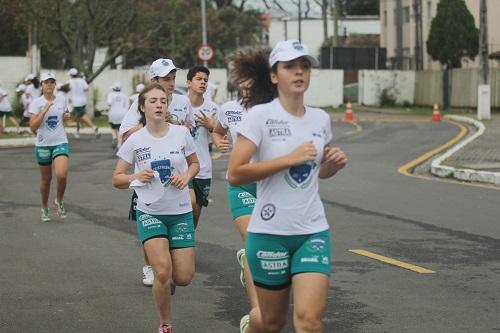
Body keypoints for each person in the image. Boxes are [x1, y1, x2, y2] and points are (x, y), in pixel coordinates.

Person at [227, 40, 347, 333]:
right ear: (273, 75)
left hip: (312, 230)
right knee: (270, 322)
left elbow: (315, 172)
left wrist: (331, 165)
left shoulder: (320, 119)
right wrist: (287, 159)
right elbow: (235, 173)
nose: (298, 72)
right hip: (269, 233)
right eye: (289, 66)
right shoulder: (259, 117)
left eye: (304, 66)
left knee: (309, 321)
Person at [112, 83, 200, 333]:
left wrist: (186, 176)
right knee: (162, 271)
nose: (159, 104)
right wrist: (136, 175)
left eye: (163, 100)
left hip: (180, 210)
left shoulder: (181, 133)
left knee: (182, 277)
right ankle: (165, 324)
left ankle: (167, 281)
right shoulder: (135, 140)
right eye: (153, 101)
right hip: (150, 211)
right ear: (142, 107)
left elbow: (194, 163)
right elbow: (117, 178)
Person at [119, 58, 194, 287]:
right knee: (150, 225)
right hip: (148, 176)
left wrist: (176, 124)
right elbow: (125, 135)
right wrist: (152, 122)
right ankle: (150, 266)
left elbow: (189, 129)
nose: (170, 83)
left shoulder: (182, 100)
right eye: (165, 79)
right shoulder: (141, 103)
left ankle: (172, 256)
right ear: (154, 80)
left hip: (175, 169)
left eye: (172, 79)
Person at [211, 49, 266, 315]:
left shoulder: (271, 109)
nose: (247, 82)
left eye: (252, 77)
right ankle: (256, 312)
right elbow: (218, 130)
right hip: (240, 183)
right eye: (243, 77)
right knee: (251, 237)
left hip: (268, 184)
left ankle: (248, 260)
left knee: (261, 246)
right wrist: (219, 142)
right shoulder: (229, 109)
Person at [29, 72, 71, 222]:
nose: (49, 85)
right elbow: (33, 127)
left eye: (52, 82)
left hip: (60, 141)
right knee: (46, 179)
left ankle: (58, 201)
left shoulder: (62, 99)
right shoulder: (36, 103)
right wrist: (44, 110)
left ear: (55, 85)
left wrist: (66, 117)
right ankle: (44, 207)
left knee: (62, 174)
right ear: (41, 85)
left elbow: (65, 116)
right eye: (46, 82)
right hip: (43, 144)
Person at [186, 66, 219, 229]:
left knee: (196, 212)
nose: (203, 83)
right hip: (181, 167)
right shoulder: (178, 104)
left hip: (203, 167)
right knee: (188, 205)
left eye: (205, 80)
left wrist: (211, 126)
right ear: (189, 82)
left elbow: (221, 137)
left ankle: (186, 244)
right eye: (199, 79)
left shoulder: (212, 108)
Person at [67, 68, 99, 138]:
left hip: (75, 102)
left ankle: (94, 127)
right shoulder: (82, 80)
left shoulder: (69, 81)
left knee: (82, 116)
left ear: (71, 75)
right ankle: (77, 131)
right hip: (83, 101)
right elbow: (86, 88)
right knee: (79, 116)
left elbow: (68, 91)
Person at [107, 81, 129, 149]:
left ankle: (114, 138)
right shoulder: (125, 95)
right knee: (120, 129)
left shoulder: (111, 94)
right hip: (123, 114)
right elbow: (127, 106)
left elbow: (109, 103)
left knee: (113, 127)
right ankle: (119, 143)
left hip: (113, 113)